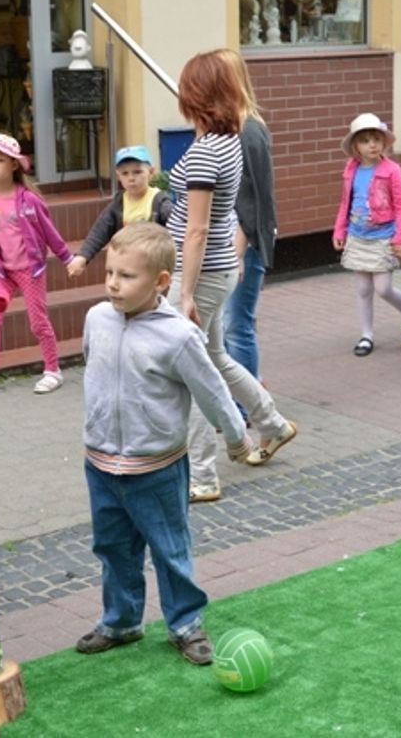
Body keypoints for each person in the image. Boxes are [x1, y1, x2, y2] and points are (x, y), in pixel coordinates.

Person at [75, 222, 252, 666]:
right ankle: (121, 621)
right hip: (101, 463)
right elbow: (94, 367)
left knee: (170, 549)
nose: (113, 283)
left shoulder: (178, 335)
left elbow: (212, 391)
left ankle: (185, 623)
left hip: (157, 467)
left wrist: (236, 437)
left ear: (161, 282)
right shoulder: (96, 319)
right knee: (113, 547)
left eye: (126, 276)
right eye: (110, 272)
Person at [165, 51, 298, 503]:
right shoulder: (231, 139)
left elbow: (198, 228)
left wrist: (185, 291)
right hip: (218, 267)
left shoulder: (209, 150)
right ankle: (272, 424)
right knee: (216, 357)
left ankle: (202, 475)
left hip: (199, 272)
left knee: (189, 372)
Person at [0, 132, 73, 397]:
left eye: (0, 160)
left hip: (30, 269)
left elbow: (49, 232)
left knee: (38, 322)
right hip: (1, 271)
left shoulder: (28, 199)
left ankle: (53, 370)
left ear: (14, 165)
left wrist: (67, 258)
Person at [331, 112, 401, 357]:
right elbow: (345, 202)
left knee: (383, 288)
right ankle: (366, 335)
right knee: (363, 289)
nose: (372, 145)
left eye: (376, 139)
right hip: (358, 235)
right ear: (355, 147)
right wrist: (340, 229)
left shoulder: (392, 170)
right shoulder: (351, 169)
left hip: (383, 236)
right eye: (365, 141)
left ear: (384, 142)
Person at [216, 48, 281, 379]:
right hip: (228, 243)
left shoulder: (249, 132)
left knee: (236, 326)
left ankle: (246, 402)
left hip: (243, 244)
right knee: (228, 325)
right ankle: (243, 394)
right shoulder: (227, 129)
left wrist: (237, 254)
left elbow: (255, 199)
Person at [66, 144, 172, 278]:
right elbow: (100, 230)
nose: (131, 178)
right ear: (118, 176)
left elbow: (178, 228)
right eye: (125, 173)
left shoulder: (159, 201)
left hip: (154, 268)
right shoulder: (118, 203)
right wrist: (83, 256)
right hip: (126, 267)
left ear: (151, 172)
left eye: (137, 172)